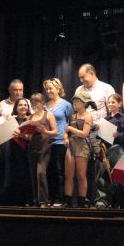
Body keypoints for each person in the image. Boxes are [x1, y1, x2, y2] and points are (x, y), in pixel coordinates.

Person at [43, 78, 74, 207]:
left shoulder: (66, 105)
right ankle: (49, 197)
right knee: (48, 171)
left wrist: (68, 137)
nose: (48, 91)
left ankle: (59, 199)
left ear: (58, 89)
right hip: (47, 142)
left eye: (51, 88)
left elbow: (71, 121)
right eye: (47, 89)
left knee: (58, 170)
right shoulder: (45, 105)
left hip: (60, 141)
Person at [64, 91, 96, 208]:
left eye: (77, 101)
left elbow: (84, 133)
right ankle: (68, 201)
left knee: (81, 176)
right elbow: (65, 132)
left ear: (84, 103)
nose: (75, 104)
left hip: (82, 146)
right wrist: (66, 138)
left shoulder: (88, 116)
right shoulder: (72, 116)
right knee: (69, 175)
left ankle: (81, 202)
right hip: (71, 146)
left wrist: (70, 129)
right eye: (74, 101)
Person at [0, 97, 32, 206]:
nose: (23, 107)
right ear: (16, 108)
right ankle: (12, 200)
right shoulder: (11, 120)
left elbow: (30, 138)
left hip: (26, 151)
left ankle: (25, 200)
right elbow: (1, 136)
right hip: (12, 150)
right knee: (12, 174)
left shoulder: (30, 120)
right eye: (20, 105)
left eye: (25, 105)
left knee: (24, 174)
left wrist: (21, 135)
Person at [27, 93, 58, 207]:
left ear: (42, 103)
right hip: (32, 148)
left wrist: (45, 131)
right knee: (33, 175)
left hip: (45, 148)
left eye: (37, 101)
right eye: (33, 102)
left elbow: (55, 132)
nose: (34, 104)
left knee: (41, 173)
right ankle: (36, 200)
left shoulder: (48, 115)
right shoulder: (30, 117)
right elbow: (28, 135)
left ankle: (44, 201)